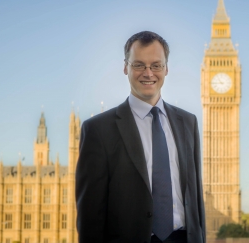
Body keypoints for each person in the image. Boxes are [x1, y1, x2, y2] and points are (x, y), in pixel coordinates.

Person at [76, 31, 206, 243]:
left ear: (166, 68)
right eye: (139, 65)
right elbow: (90, 216)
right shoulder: (98, 129)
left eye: (156, 65)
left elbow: (196, 201)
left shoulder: (188, 122)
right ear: (125, 67)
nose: (148, 73)